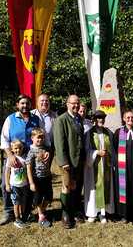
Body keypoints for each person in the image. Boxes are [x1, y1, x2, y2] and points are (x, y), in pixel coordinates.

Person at [0, 94, 40, 225]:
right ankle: (8, 212)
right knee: (7, 184)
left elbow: (40, 135)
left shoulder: (36, 119)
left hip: (29, 158)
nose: (25, 106)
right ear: (17, 105)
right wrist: (10, 156)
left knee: (27, 184)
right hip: (14, 157)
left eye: (27, 103)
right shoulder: (10, 119)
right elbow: (4, 139)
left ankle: (26, 212)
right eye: (22, 103)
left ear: (30, 105)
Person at [53, 94, 85, 229]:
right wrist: (64, 161)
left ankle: (74, 210)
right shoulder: (61, 120)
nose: (75, 106)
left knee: (75, 186)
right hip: (67, 161)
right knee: (66, 186)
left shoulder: (79, 119)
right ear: (67, 104)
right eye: (73, 103)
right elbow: (59, 143)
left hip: (78, 160)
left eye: (77, 103)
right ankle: (65, 214)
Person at [114, 110, 133, 224]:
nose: (130, 119)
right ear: (123, 118)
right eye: (128, 117)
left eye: (132, 117)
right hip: (123, 168)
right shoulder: (118, 132)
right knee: (125, 190)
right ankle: (124, 215)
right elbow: (114, 149)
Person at [84, 110, 115, 223]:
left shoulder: (108, 133)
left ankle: (103, 213)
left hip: (106, 165)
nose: (101, 120)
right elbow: (86, 150)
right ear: (94, 119)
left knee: (105, 188)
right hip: (93, 167)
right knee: (93, 189)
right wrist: (96, 152)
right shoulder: (89, 133)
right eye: (98, 118)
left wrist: (109, 156)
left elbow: (113, 149)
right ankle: (92, 213)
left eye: (102, 117)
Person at [26, 128, 53, 227]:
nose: (40, 140)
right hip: (37, 179)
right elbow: (28, 168)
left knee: (49, 197)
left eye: (42, 138)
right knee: (38, 198)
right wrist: (31, 183)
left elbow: (49, 154)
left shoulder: (45, 148)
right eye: (38, 138)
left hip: (47, 177)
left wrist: (48, 154)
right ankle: (41, 216)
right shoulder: (31, 151)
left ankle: (42, 211)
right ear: (32, 138)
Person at [5, 140, 29, 228]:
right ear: (12, 149)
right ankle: (17, 219)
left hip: (24, 185)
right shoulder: (10, 159)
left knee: (23, 201)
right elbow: (7, 172)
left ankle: (23, 216)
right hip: (14, 185)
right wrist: (7, 184)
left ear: (22, 148)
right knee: (16, 203)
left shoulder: (25, 158)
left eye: (19, 148)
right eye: (15, 148)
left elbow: (28, 171)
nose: (18, 150)